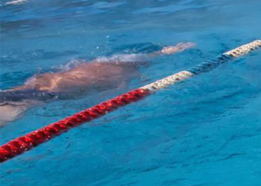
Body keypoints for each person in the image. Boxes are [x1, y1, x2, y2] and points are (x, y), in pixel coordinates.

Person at [0, 42, 195, 127]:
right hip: (35, 96)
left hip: (25, 93)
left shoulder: (98, 70)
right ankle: (164, 53)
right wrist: (165, 53)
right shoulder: (114, 73)